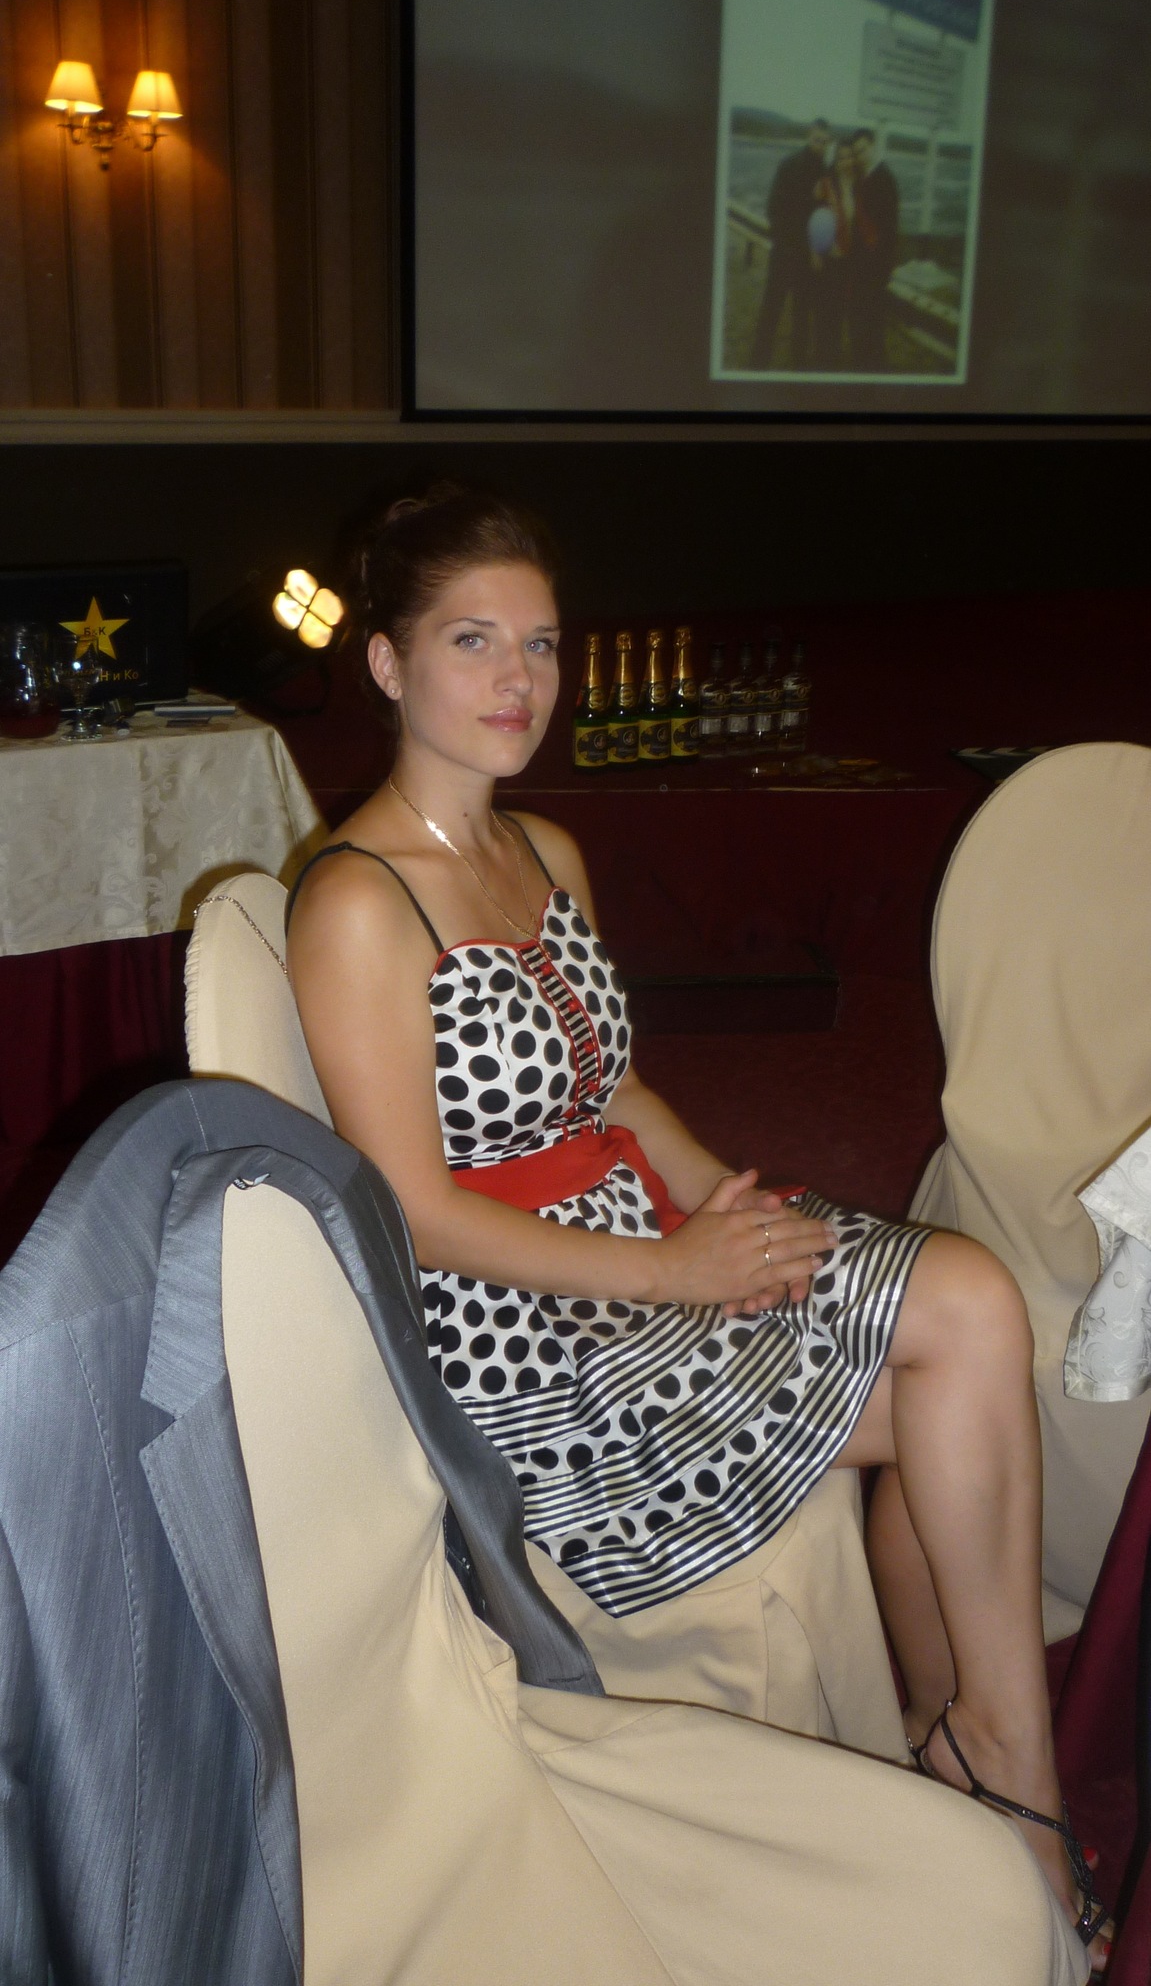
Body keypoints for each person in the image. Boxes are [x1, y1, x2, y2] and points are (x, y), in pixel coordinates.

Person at [287, 480, 1109, 1970]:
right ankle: (1004, 1786)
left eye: (540, 644)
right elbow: (410, 1213)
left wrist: (731, 1204)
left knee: (966, 1314)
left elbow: (615, 1092)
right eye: (473, 641)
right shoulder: (355, 901)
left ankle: (983, 1747)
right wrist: (672, 1267)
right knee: (946, 1354)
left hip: (641, 1260)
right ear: (389, 663)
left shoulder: (544, 850)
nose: (518, 680)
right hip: (531, 1353)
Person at [747, 118, 829, 371]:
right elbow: (774, 208)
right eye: (817, 140)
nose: (820, 145)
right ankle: (758, 365)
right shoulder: (789, 165)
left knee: (801, 315)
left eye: (824, 142)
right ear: (808, 136)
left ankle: (798, 367)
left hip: (807, 255)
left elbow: (823, 215)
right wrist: (783, 243)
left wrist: (817, 248)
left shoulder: (826, 173)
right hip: (785, 251)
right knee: (772, 310)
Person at [850, 126, 901, 371]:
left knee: (873, 326)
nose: (860, 156)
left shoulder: (884, 179)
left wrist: (882, 269)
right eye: (856, 152)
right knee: (862, 323)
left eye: (863, 150)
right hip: (862, 265)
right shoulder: (864, 177)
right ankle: (864, 368)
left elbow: (889, 231)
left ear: (873, 147)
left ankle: (876, 373)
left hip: (875, 267)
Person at [810, 137, 858, 370]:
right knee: (824, 314)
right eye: (841, 158)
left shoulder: (861, 186)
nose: (846, 162)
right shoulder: (825, 185)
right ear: (835, 162)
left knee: (840, 314)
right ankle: (822, 362)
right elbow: (814, 218)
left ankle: (833, 363)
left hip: (851, 261)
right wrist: (814, 251)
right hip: (829, 260)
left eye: (849, 157)